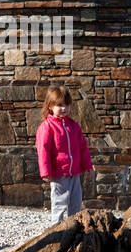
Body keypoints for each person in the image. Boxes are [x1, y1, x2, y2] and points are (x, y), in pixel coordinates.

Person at [36, 85, 93, 223]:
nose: (64, 108)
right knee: (59, 204)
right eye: (60, 105)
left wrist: (87, 165)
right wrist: (45, 171)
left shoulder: (73, 126)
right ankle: (57, 230)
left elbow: (82, 147)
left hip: (75, 173)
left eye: (67, 105)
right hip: (58, 174)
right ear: (50, 106)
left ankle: (75, 229)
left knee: (76, 203)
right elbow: (43, 150)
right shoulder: (47, 127)